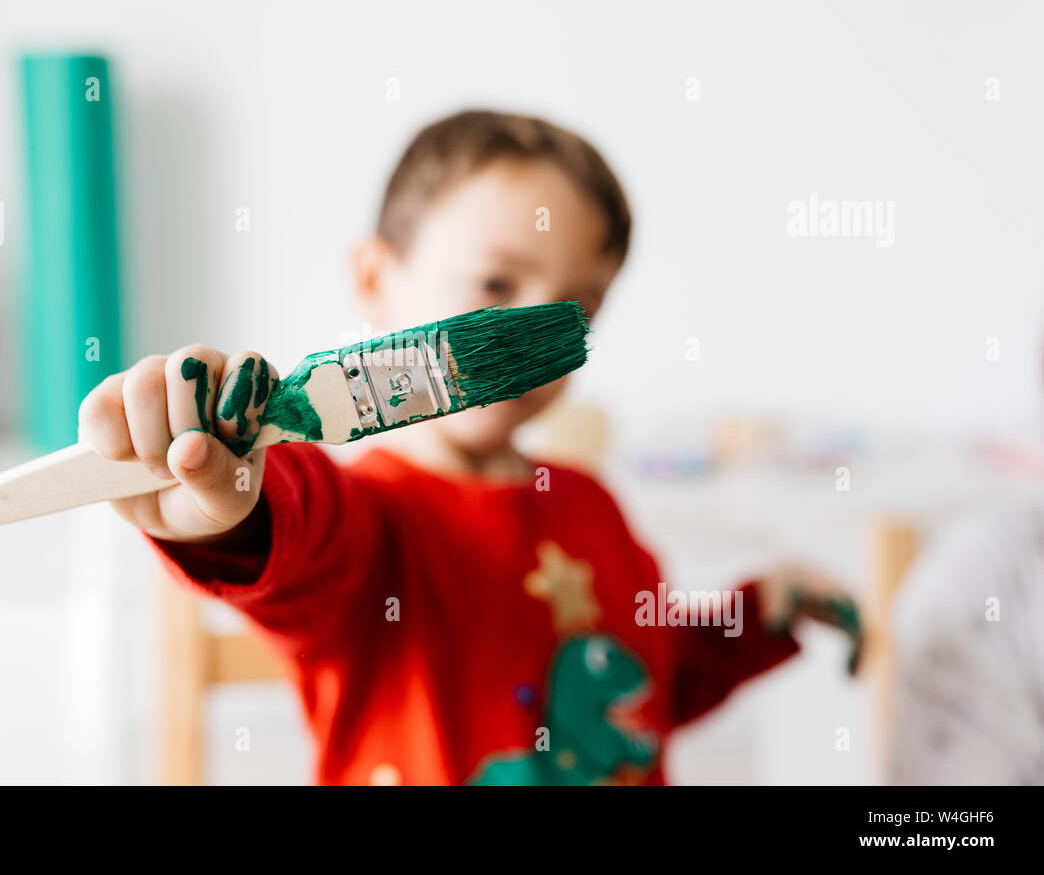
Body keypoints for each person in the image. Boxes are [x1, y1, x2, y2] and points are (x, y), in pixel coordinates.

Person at [78, 110, 859, 784]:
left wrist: (753, 617)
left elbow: (643, 683)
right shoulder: (367, 523)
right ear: (376, 278)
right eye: (494, 284)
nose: (533, 326)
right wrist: (235, 502)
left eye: (579, 305)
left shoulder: (589, 506)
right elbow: (297, 532)